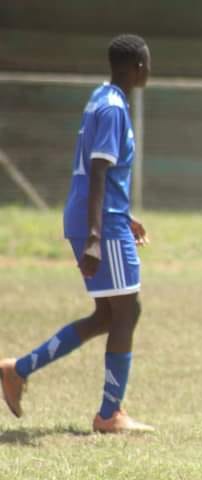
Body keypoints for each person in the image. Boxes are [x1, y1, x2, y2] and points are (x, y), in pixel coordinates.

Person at [0, 34, 153, 434]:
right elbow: (99, 170)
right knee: (127, 311)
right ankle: (109, 415)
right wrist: (94, 237)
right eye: (147, 64)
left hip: (102, 216)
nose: (148, 71)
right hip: (101, 224)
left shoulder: (99, 97)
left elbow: (98, 171)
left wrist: (124, 213)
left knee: (108, 314)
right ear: (136, 67)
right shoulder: (115, 107)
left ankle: (19, 369)